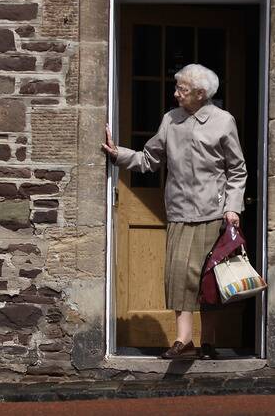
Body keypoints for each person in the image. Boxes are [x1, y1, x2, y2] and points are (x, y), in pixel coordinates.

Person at [102, 63, 246, 360]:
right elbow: (149, 160)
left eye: (183, 89)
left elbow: (237, 170)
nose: (176, 94)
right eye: (178, 87)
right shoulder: (170, 120)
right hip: (180, 211)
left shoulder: (223, 121)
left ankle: (209, 342)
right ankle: (184, 341)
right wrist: (119, 155)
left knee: (210, 280)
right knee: (179, 276)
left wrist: (232, 209)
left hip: (213, 212)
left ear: (201, 93)